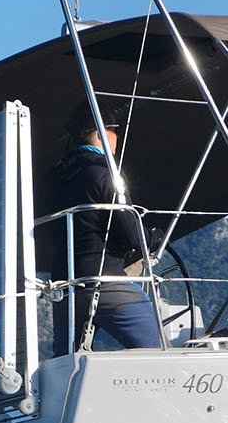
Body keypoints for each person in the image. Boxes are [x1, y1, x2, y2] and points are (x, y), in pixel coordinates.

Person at [45, 120, 163, 354]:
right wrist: (154, 239)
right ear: (100, 133)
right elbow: (132, 236)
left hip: (65, 286)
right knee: (155, 351)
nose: (117, 136)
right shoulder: (105, 173)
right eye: (115, 130)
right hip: (104, 281)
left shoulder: (54, 177)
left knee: (66, 361)